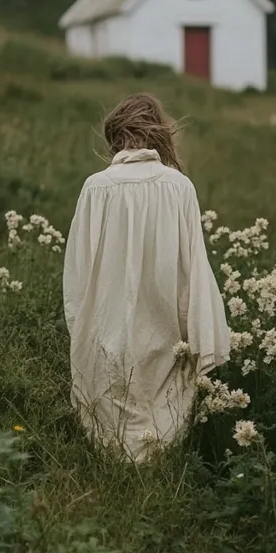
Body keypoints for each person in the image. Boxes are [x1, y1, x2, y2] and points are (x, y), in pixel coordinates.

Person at [63, 93, 230, 462]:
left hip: (107, 333)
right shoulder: (179, 187)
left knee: (112, 428)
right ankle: (153, 477)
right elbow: (194, 270)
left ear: (115, 136)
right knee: (161, 420)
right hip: (165, 330)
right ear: (160, 134)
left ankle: (119, 478)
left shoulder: (96, 188)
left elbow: (77, 272)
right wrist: (198, 333)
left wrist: (80, 329)